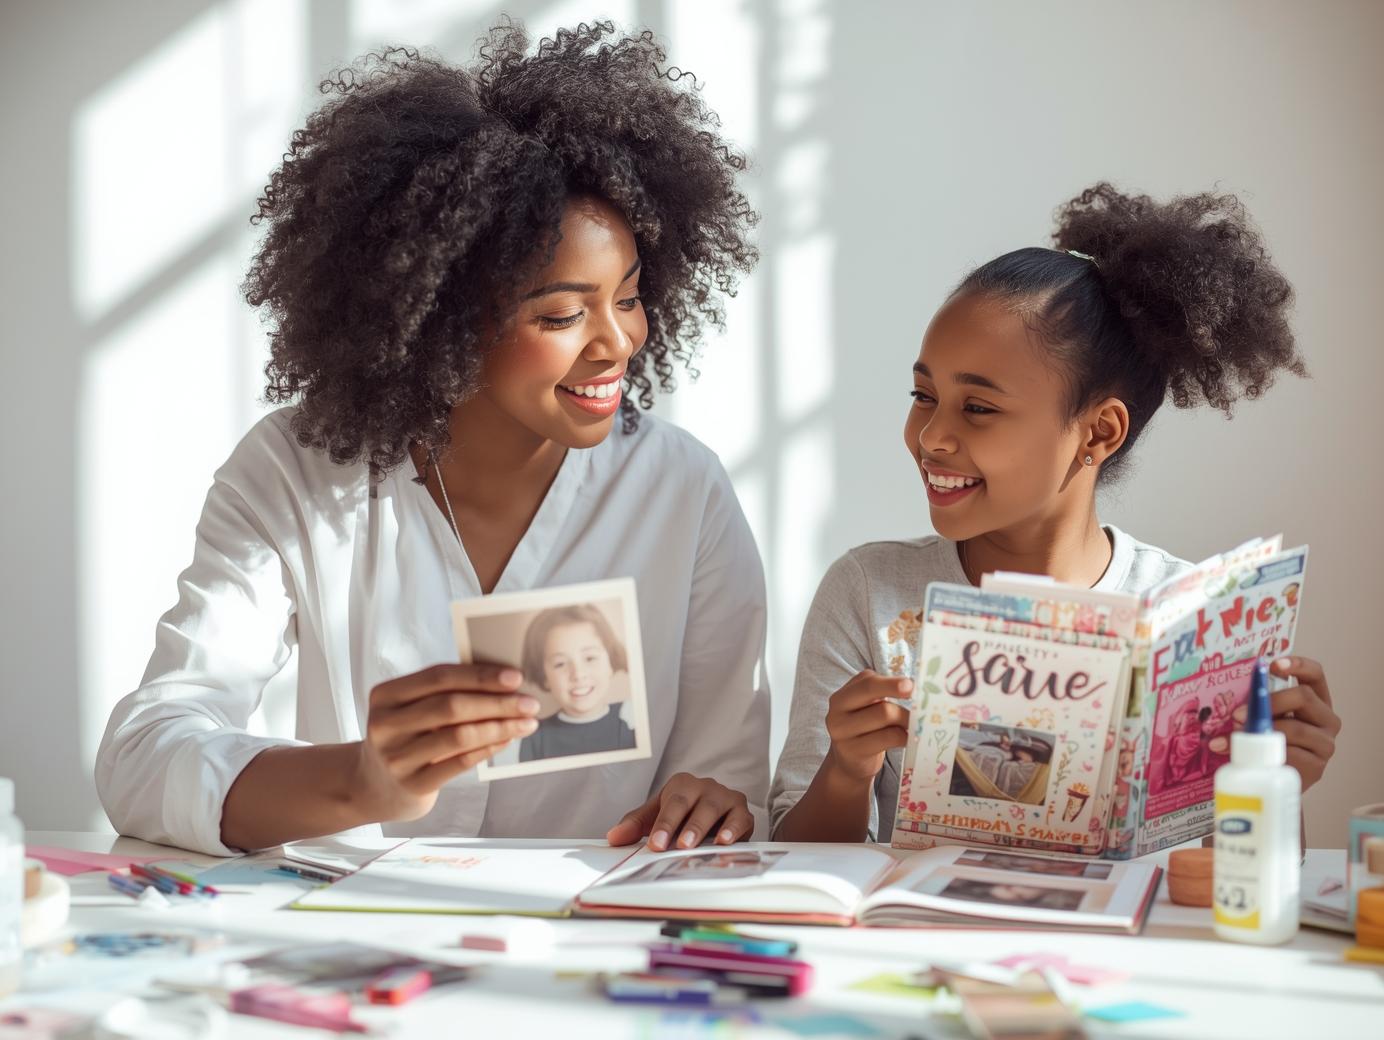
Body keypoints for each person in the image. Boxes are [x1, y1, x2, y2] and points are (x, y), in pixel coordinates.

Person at [95, 23, 768, 857]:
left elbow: (729, 788)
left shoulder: (682, 491)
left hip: (595, 928)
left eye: (627, 299)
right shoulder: (296, 475)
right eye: (562, 314)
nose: (618, 342)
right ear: (439, 318)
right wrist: (359, 782)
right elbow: (143, 757)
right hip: (359, 924)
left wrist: (716, 807)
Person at [770, 183, 1341, 842]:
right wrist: (847, 771)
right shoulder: (870, 593)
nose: (931, 437)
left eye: (978, 408)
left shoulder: (1193, 622)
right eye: (923, 395)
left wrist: (1278, 780)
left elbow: (1230, 878)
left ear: (1099, 432)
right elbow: (794, 859)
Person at [518, 604, 636, 761]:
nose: (578, 675)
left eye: (590, 658)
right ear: (544, 677)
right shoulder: (534, 736)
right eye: (560, 664)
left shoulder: (632, 719)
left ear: (611, 663)